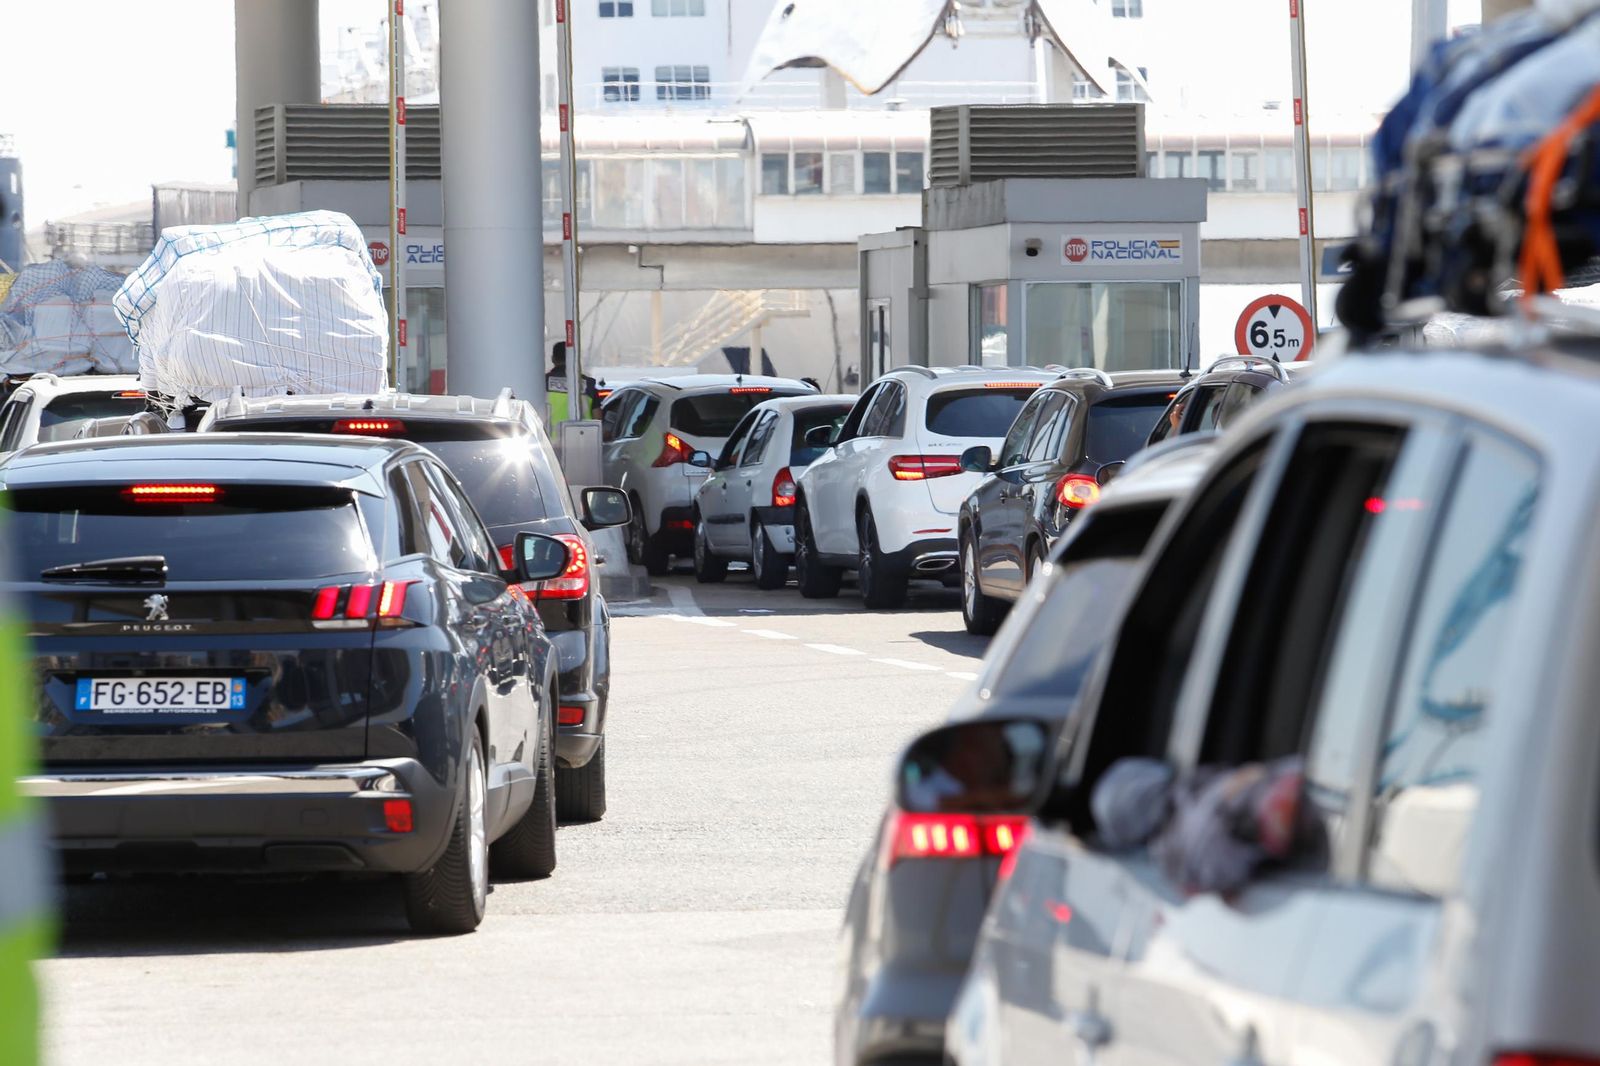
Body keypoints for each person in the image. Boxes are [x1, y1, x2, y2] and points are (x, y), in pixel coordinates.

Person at [546, 341, 600, 424]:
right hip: (582, 436)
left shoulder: (542, 383)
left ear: (553, 359)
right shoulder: (588, 385)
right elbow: (597, 419)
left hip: (547, 437)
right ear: (574, 358)